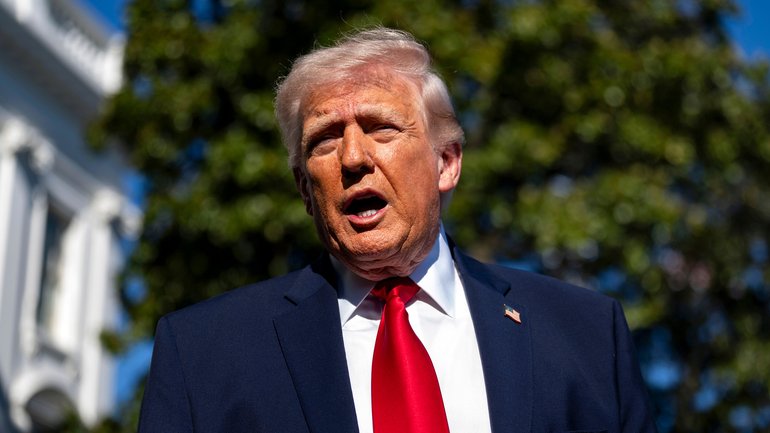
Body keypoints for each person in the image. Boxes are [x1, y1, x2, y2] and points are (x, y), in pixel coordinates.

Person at [138, 27, 657, 433]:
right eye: (323, 140)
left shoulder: (586, 334)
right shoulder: (203, 353)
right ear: (303, 189)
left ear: (447, 162)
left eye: (381, 128)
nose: (353, 157)